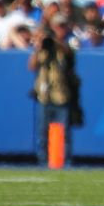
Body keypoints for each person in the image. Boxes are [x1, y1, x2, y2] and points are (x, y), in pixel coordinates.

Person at [28, 13, 81, 166]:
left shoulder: (68, 43)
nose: (61, 29)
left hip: (61, 94)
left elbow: (69, 54)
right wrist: (38, 47)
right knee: (42, 133)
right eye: (58, 26)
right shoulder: (44, 48)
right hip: (44, 96)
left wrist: (55, 41)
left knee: (64, 133)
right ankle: (43, 162)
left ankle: (66, 162)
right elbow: (31, 66)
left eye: (63, 26)